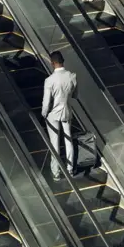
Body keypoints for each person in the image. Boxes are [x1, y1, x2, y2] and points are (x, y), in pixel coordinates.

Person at [41, 51, 77, 180]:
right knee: (68, 140)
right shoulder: (72, 76)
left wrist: (44, 114)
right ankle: (70, 169)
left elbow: (46, 102)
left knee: (54, 143)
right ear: (63, 61)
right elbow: (75, 95)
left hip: (53, 114)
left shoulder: (49, 80)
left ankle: (56, 172)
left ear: (52, 63)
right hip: (66, 111)